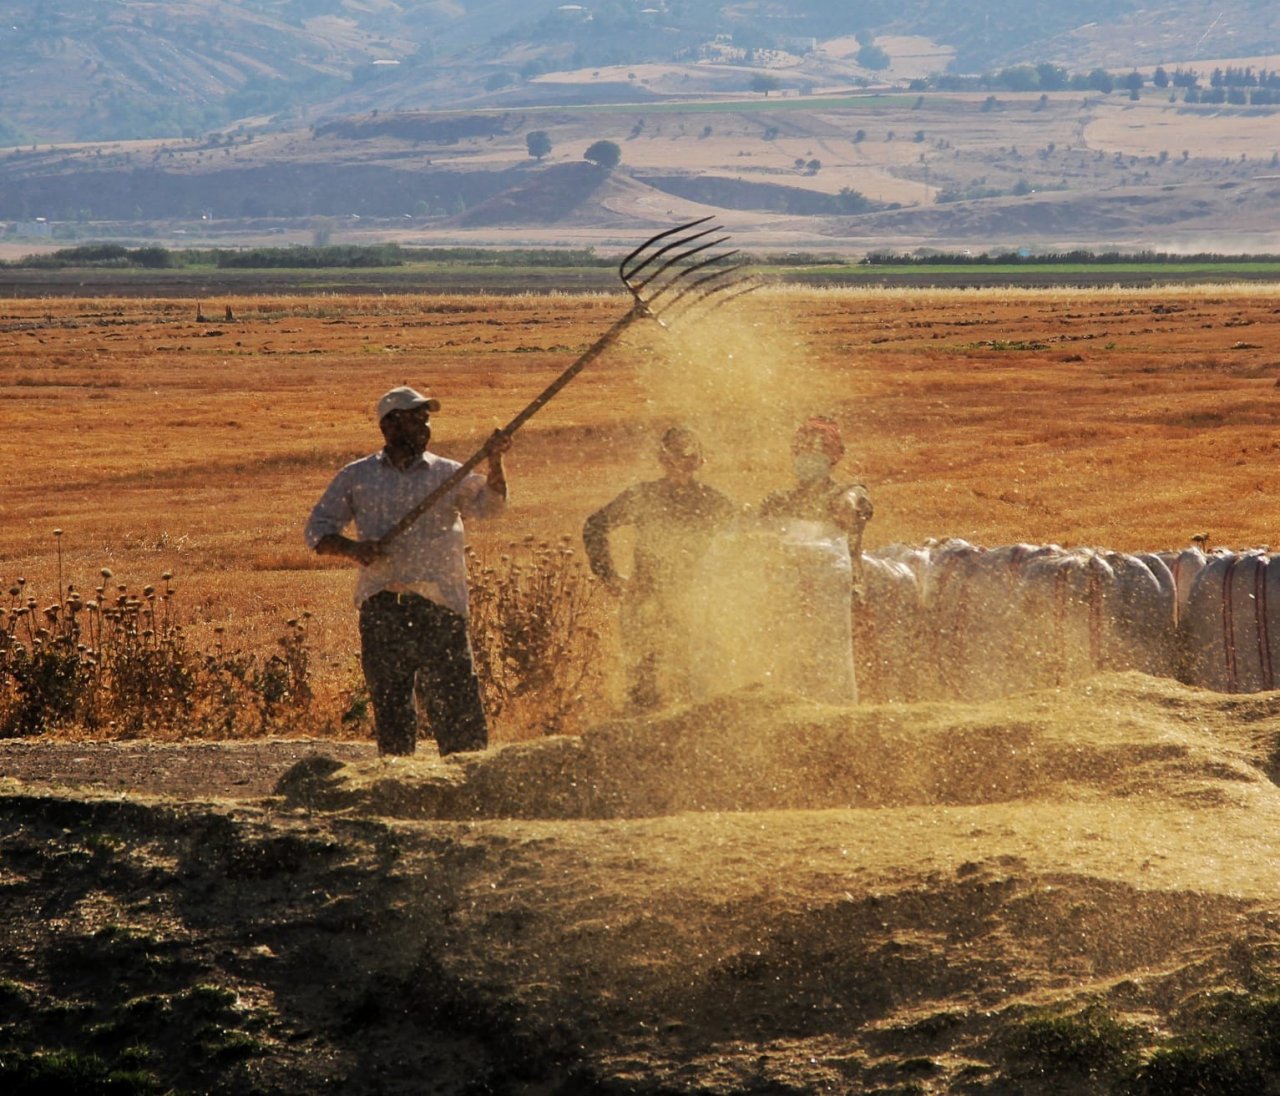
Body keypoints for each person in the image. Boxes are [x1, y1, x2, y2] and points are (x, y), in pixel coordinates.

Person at [305, 385, 511, 757]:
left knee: (458, 711)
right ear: (388, 425)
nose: (424, 427)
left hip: (440, 606)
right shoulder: (357, 476)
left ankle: (468, 780)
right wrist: (354, 549)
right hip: (384, 607)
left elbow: (491, 508)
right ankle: (397, 780)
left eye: (425, 419)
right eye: (414, 419)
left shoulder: (448, 474)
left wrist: (494, 461)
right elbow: (317, 532)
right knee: (392, 711)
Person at [583, 426, 736, 711]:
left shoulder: (714, 503)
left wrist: (725, 591)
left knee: (692, 685)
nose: (681, 461)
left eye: (688, 455)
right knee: (643, 688)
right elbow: (595, 527)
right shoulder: (644, 496)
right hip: (646, 603)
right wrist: (610, 576)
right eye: (674, 454)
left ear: (700, 461)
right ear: (662, 459)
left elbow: (741, 541)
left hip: (693, 604)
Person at [754, 415, 873, 703]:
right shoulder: (777, 501)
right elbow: (760, 543)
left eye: (817, 451)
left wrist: (850, 502)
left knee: (838, 675)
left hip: (840, 598)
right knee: (789, 672)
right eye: (802, 450)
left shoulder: (846, 493)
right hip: (788, 597)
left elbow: (858, 502)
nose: (807, 457)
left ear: (834, 457)